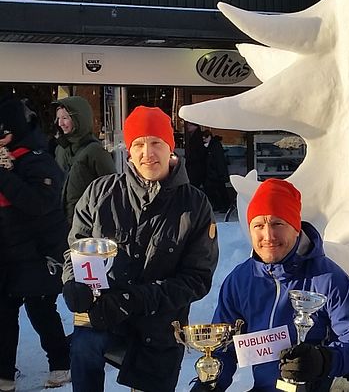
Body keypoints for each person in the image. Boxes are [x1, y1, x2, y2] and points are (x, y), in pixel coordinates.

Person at [60, 106, 219, 392]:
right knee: (84, 346)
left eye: (156, 142)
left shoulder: (195, 205)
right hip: (105, 315)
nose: (148, 153)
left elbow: (197, 279)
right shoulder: (100, 193)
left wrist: (134, 299)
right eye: (139, 144)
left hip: (161, 326)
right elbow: (76, 249)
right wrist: (73, 283)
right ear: (129, 151)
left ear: (170, 147)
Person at [191, 179, 349, 392]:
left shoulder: (327, 278)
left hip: (317, 387)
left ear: (295, 228)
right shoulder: (240, 280)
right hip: (266, 389)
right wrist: (209, 382)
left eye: (277, 224)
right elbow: (222, 348)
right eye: (258, 225)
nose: (268, 236)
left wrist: (324, 360)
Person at [0, 98, 71, 391]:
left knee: (40, 310)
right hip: (7, 251)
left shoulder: (37, 158)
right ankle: (4, 373)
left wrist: (4, 174)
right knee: (3, 313)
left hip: (39, 251)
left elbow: (38, 203)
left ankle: (61, 362)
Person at [53, 96, 116, 224]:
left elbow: (113, 189)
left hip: (88, 225)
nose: (60, 123)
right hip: (61, 224)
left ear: (79, 119)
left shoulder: (95, 151)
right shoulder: (60, 149)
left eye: (65, 118)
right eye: (58, 118)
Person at [202, 131, 230, 212]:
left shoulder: (214, 146)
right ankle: (222, 206)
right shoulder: (214, 145)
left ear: (209, 137)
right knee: (219, 189)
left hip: (215, 172)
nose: (204, 139)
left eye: (205, 137)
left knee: (219, 190)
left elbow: (217, 160)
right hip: (216, 172)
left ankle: (223, 206)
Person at [184, 121, 207, 189]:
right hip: (196, 165)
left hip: (196, 165)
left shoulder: (197, 137)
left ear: (194, 126)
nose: (187, 127)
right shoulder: (195, 135)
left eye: (189, 125)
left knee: (194, 184)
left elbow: (198, 152)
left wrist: (190, 160)